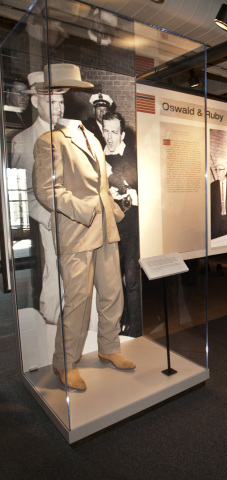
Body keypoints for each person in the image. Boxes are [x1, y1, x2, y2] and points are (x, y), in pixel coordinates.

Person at [32, 64, 135, 392]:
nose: (68, 98)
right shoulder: (50, 141)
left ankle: (109, 347)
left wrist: (116, 212)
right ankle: (64, 361)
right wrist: (87, 211)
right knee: (77, 299)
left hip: (105, 230)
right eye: (61, 93)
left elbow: (100, 186)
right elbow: (48, 190)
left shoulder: (91, 136)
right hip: (77, 232)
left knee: (112, 293)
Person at [11, 70, 67, 324]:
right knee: (55, 271)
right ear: (35, 102)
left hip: (75, 218)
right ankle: (53, 323)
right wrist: (47, 218)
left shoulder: (71, 134)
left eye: (61, 102)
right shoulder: (23, 141)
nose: (58, 108)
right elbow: (21, 191)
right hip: (49, 221)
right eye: (51, 101)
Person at [102, 112, 142, 337]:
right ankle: (118, 322)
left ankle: (135, 328)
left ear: (122, 133)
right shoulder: (98, 154)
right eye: (106, 130)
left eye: (114, 132)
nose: (109, 136)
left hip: (130, 226)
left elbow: (138, 185)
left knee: (131, 279)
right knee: (112, 279)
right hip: (109, 225)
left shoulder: (132, 155)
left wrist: (125, 189)